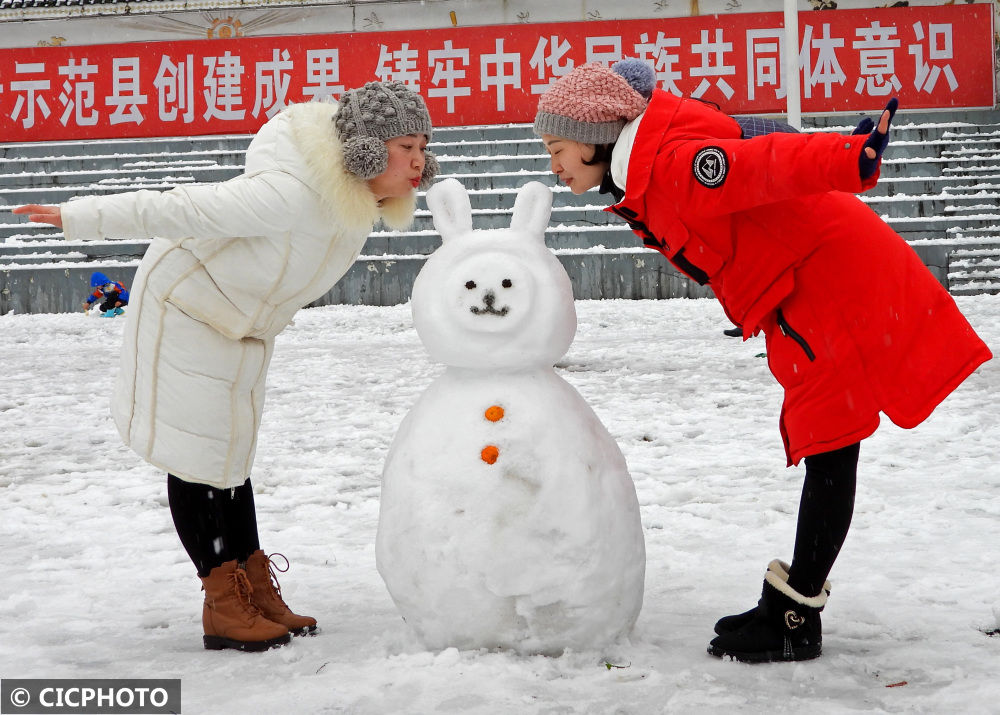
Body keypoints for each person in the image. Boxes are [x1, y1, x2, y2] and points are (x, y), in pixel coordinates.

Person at [533, 59, 993, 663]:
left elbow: (765, 162)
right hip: (804, 283)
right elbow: (753, 133)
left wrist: (849, 157)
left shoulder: (671, 167)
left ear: (594, 136)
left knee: (830, 440)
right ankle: (791, 608)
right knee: (828, 440)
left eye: (558, 146)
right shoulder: (643, 167)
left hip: (828, 283)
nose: (553, 164)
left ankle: (795, 617)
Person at [14, 81, 439, 652]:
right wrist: (76, 216)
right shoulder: (290, 193)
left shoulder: (354, 207)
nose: (421, 162)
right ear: (364, 147)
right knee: (200, 456)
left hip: (238, 325)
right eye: (406, 146)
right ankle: (223, 600)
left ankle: (251, 583)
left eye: (423, 147)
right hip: (185, 308)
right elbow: (179, 207)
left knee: (232, 456)